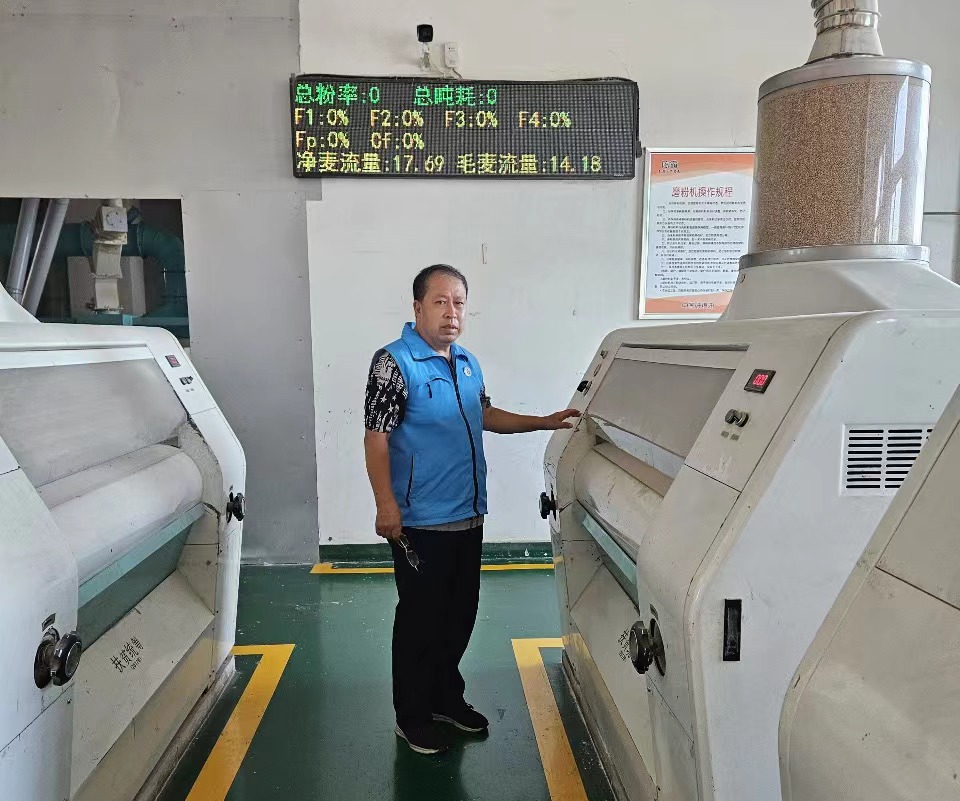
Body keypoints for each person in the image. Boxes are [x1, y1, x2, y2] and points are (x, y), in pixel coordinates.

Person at [363, 264, 580, 755]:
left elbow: (484, 414)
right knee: (420, 621)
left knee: (459, 615)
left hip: (467, 514)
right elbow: (376, 439)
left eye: (458, 303)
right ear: (417, 307)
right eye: (440, 302)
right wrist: (385, 504)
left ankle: (445, 698)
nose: (451, 313)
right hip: (420, 520)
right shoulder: (393, 363)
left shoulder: (466, 363)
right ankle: (412, 716)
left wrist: (543, 421)